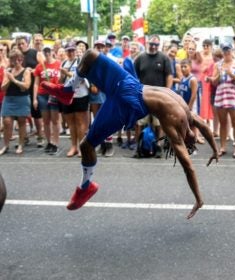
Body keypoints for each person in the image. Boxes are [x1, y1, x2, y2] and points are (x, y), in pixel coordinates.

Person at [42, 49, 219, 219]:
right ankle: (67, 91)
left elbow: (189, 166)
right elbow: (203, 128)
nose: (177, 143)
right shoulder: (186, 114)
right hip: (130, 83)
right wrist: (215, 150)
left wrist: (198, 198)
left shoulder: (179, 123)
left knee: (86, 145)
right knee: (90, 55)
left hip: (127, 105)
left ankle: (86, 186)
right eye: (191, 140)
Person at [208, 42, 235, 158]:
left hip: (234, 96)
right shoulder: (218, 65)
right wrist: (213, 78)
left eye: (228, 50)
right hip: (221, 96)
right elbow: (215, 81)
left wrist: (231, 74)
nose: (226, 52)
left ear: (232, 51)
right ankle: (223, 147)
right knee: (222, 123)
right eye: (224, 50)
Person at [0, 50, 31, 155]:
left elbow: (26, 86)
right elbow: (3, 88)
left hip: (22, 99)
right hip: (9, 99)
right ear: (11, 60)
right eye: (14, 59)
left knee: (22, 122)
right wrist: (9, 78)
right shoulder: (8, 70)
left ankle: (21, 144)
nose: (17, 61)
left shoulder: (26, 70)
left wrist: (14, 80)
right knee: (7, 122)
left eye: (19, 59)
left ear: (22, 59)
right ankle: (6, 145)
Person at [33, 46, 61, 155]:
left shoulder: (58, 64)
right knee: (46, 120)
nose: (47, 53)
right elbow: (36, 83)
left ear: (53, 52)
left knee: (55, 120)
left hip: (54, 94)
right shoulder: (39, 66)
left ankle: (56, 142)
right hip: (42, 95)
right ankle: (49, 141)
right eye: (45, 51)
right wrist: (35, 98)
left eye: (49, 51)